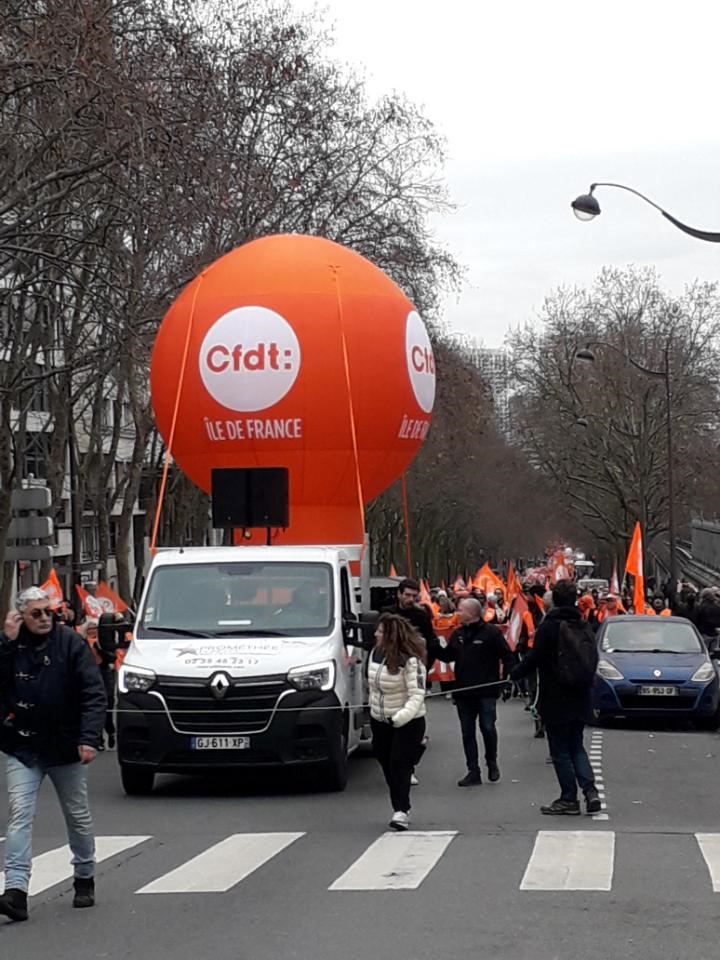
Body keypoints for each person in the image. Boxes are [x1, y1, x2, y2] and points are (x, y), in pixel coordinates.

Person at [0, 587, 107, 921]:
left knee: (77, 815)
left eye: (50, 612)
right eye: (36, 613)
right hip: (23, 747)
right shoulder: (10, 645)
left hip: (65, 746)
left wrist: (89, 738)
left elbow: (93, 691)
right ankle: (15, 891)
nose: (45, 618)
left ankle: (84, 877)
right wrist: (6, 643)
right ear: (20, 617)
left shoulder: (70, 643)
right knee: (19, 814)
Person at [511, 580, 601, 816]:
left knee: (560, 750)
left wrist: (514, 674)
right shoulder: (582, 624)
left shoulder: (549, 627)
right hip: (581, 695)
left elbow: (534, 658)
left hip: (556, 696)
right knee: (577, 747)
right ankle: (590, 791)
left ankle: (568, 798)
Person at [434, 598, 514, 786]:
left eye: (460, 610)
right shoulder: (458, 634)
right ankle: (473, 770)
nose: (457, 613)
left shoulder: (491, 633)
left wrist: (508, 680)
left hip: (486, 691)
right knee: (467, 732)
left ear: (471, 613)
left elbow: (507, 656)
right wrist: (433, 645)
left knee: (488, 727)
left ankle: (491, 761)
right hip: (463, 692)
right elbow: (448, 656)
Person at [368, 613, 427, 831]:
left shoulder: (411, 660)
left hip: (407, 721)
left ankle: (401, 810)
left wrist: (400, 717)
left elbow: (417, 694)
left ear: (391, 635)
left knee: (398, 763)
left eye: (380, 631)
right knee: (384, 760)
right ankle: (416, 753)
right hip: (380, 719)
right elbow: (373, 687)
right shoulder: (374, 653)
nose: (376, 634)